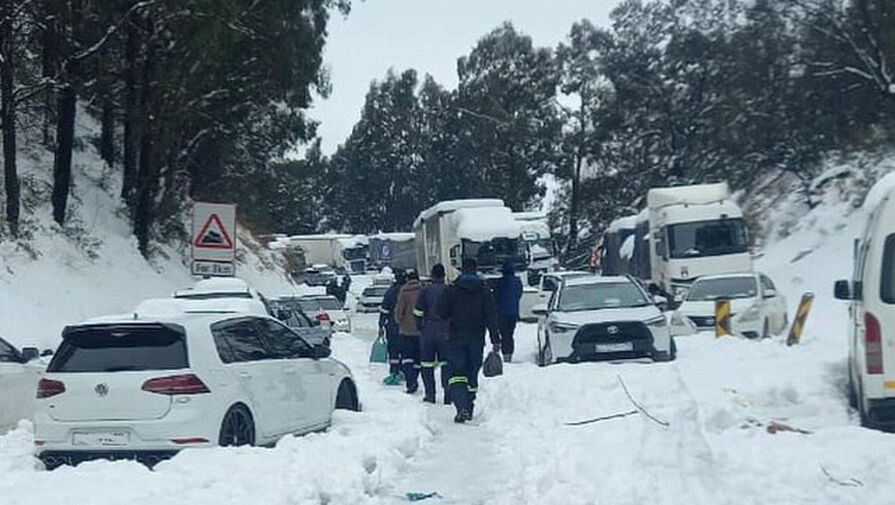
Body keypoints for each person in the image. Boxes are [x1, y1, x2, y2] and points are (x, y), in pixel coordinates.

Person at [437, 257, 500, 423]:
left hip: (456, 337)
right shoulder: (484, 290)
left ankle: (461, 407)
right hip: (477, 338)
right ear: (476, 269)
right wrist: (496, 339)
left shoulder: (452, 290)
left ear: (462, 270)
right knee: (472, 372)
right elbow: (491, 316)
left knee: (457, 373)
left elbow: (441, 312)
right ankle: (469, 405)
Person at [414, 264, 451, 404]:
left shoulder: (425, 291)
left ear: (432, 275)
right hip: (446, 333)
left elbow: (418, 312)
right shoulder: (449, 290)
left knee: (427, 364)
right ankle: (448, 394)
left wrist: (420, 327)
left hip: (428, 332)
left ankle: (430, 394)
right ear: (444, 276)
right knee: (446, 364)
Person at [394, 270, 423, 394]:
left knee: (406, 358)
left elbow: (398, 312)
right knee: (418, 359)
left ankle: (410, 381)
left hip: (406, 331)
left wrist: (399, 321)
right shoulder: (423, 291)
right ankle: (415, 378)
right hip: (421, 331)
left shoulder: (403, 292)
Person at [490, 261, 523, 363]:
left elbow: (495, 296)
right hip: (513, 312)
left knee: (502, 333)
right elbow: (518, 295)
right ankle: (508, 355)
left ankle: (502, 352)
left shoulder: (500, 283)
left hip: (501, 312)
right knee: (509, 334)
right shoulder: (518, 283)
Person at [380, 269, 407, 386]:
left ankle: (394, 371)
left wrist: (381, 325)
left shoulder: (390, 292)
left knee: (393, 351)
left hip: (392, 327)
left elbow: (384, 311)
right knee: (406, 351)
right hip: (407, 327)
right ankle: (405, 372)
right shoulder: (407, 291)